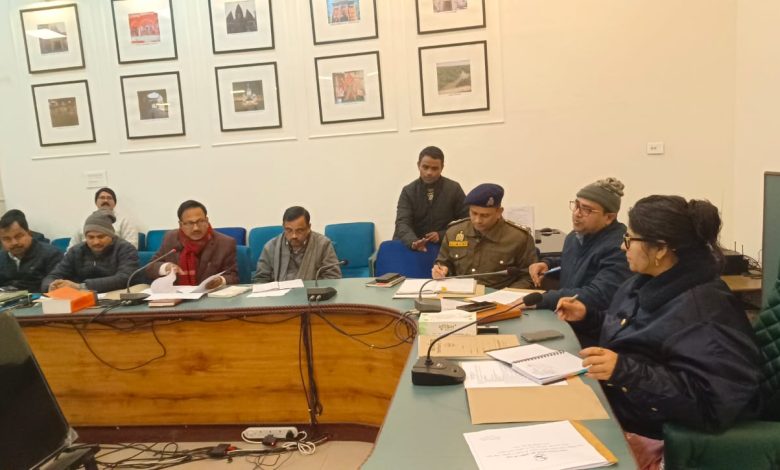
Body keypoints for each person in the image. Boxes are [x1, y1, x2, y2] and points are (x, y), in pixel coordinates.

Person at [555, 195, 762, 470]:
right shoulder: (648, 282)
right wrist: (589, 317)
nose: (622, 246)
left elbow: (712, 404)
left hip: (653, 435)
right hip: (617, 409)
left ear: (661, 249)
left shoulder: (704, 313)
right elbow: (638, 331)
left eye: (630, 239)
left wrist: (626, 371)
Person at [529, 178, 631, 337]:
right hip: (565, 322)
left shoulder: (619, 247)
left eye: (587, 210)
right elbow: (576, 263)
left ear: (609, 217)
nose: (577, 213)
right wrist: (548, 264)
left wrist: (546, 299)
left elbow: (599, 294)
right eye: (576, 205)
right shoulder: (575, 236)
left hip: (593, 331)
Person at [432, 183, 537, 289]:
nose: (478, 220)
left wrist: (507, 294)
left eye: (485, 215)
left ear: (499, 212)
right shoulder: (454, 232)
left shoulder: (518, 237)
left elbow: (528, 277)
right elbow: (443, 263)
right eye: (474, 213)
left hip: (500, 295)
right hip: (459, 293)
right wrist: (441, 271)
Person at [145, 200, 238, 287]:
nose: (196, 228)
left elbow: (233, 276)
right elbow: (150, 268)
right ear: (181, 225)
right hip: (178, 295)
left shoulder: (225, 243)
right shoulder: (170, 238)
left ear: (207, 220)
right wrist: (166, 267)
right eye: (190, 223)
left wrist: (221, 280)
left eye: (200, 221)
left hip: (209, 295)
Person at [42, 210, 140, 293]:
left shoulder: (126, 249)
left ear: (111, 235)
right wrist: (51, 286)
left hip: (116, 297)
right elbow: (53, 276)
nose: (96, 242)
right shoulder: (76, 251)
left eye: (101, 237)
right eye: (91, 237)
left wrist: (81, 287)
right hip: (81, 300)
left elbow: (125, 278)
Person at [393, 146, 468, 252]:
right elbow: (402, 223)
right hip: (411, 247)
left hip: (443, 247)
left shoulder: (454, 189)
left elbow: (468, 220)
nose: (429, 172)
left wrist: (442, 235)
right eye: (425, 167)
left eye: (434, 168)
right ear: (418, 165)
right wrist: (413, 241)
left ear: (442, 168)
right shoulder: (408, 191)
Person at [254, 206, 341, 283]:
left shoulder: (323, 245)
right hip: (279, 295)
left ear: (309, 227)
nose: (294, 236)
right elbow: (260, 279)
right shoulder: (271, 247)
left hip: (312, 294)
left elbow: (333, 277)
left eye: (299, 230)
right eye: (289, 230)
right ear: (283, 227)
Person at [0, 209, 63, 292]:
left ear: (29, 233)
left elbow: (55, 287)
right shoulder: (1, 257)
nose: (14, 242)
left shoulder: (51, 254)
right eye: (7, 239)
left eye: (18, 236)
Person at [68, 187, 139, 249]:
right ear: (96, 202)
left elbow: (132, 247)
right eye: (102, 198)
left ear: (115, 203)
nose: (105, 200)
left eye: (109, 198)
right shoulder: (85, 221)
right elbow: (72, 247)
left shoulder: (125, 221)